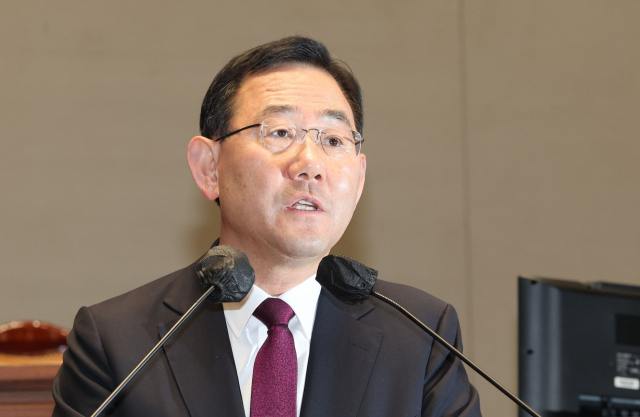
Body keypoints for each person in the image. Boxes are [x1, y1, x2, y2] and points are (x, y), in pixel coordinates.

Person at [52, 36, 482, 417]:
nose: (310, 163)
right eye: (279, 133)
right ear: (209, 168)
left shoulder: (420, 335)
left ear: (359, 180)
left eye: (334, 140)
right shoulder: (118, 343)